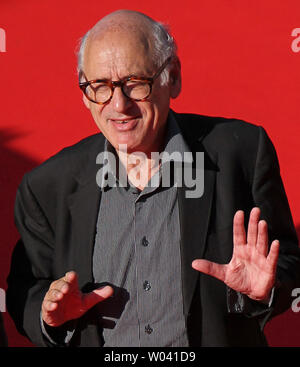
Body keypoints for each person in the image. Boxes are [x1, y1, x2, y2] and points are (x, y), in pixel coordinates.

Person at [6, 10, 300, 347]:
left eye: (135, 84)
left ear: (172, 77)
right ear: (84, 92)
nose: (119, 104)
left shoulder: (242, 153)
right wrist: (49, 312)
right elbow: (25, 291)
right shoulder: (47, 186)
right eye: (100, 86)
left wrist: (265, 289)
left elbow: (288, 264)